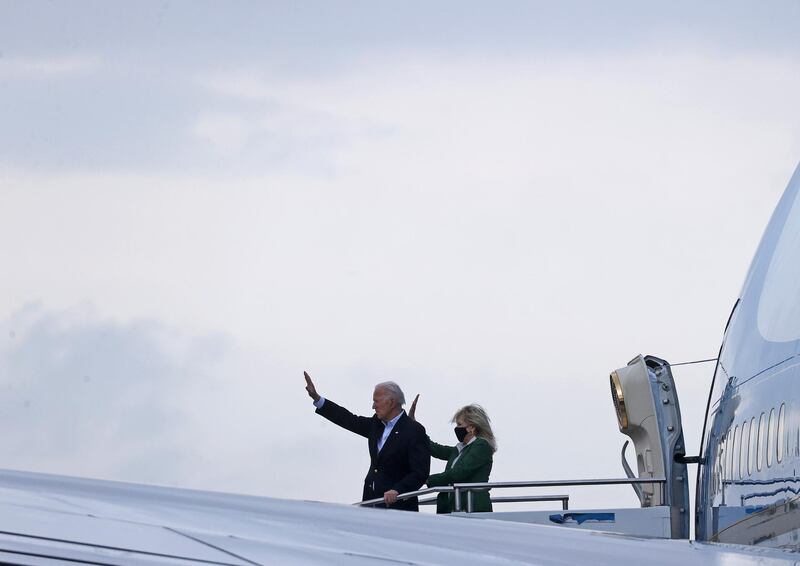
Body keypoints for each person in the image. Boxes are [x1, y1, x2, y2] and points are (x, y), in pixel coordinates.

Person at [303, 371, 430, 511]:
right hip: (371, 503)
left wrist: (398, 490)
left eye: (376, 401)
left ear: (391, 402)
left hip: (398, 507)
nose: (373, 406)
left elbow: (420, 472)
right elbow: (349, 420)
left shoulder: (413, 430)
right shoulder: (376, 424)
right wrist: (317, 398)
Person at [409, 397, 496, 514]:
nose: (456, 428)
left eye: (459, 424)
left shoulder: (481, 446)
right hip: (455, 508)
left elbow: (459, 473)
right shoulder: (459, 449)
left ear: (472, 427)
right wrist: (414, 428)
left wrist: (427, 480)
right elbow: (435, 449)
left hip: (472, 509)